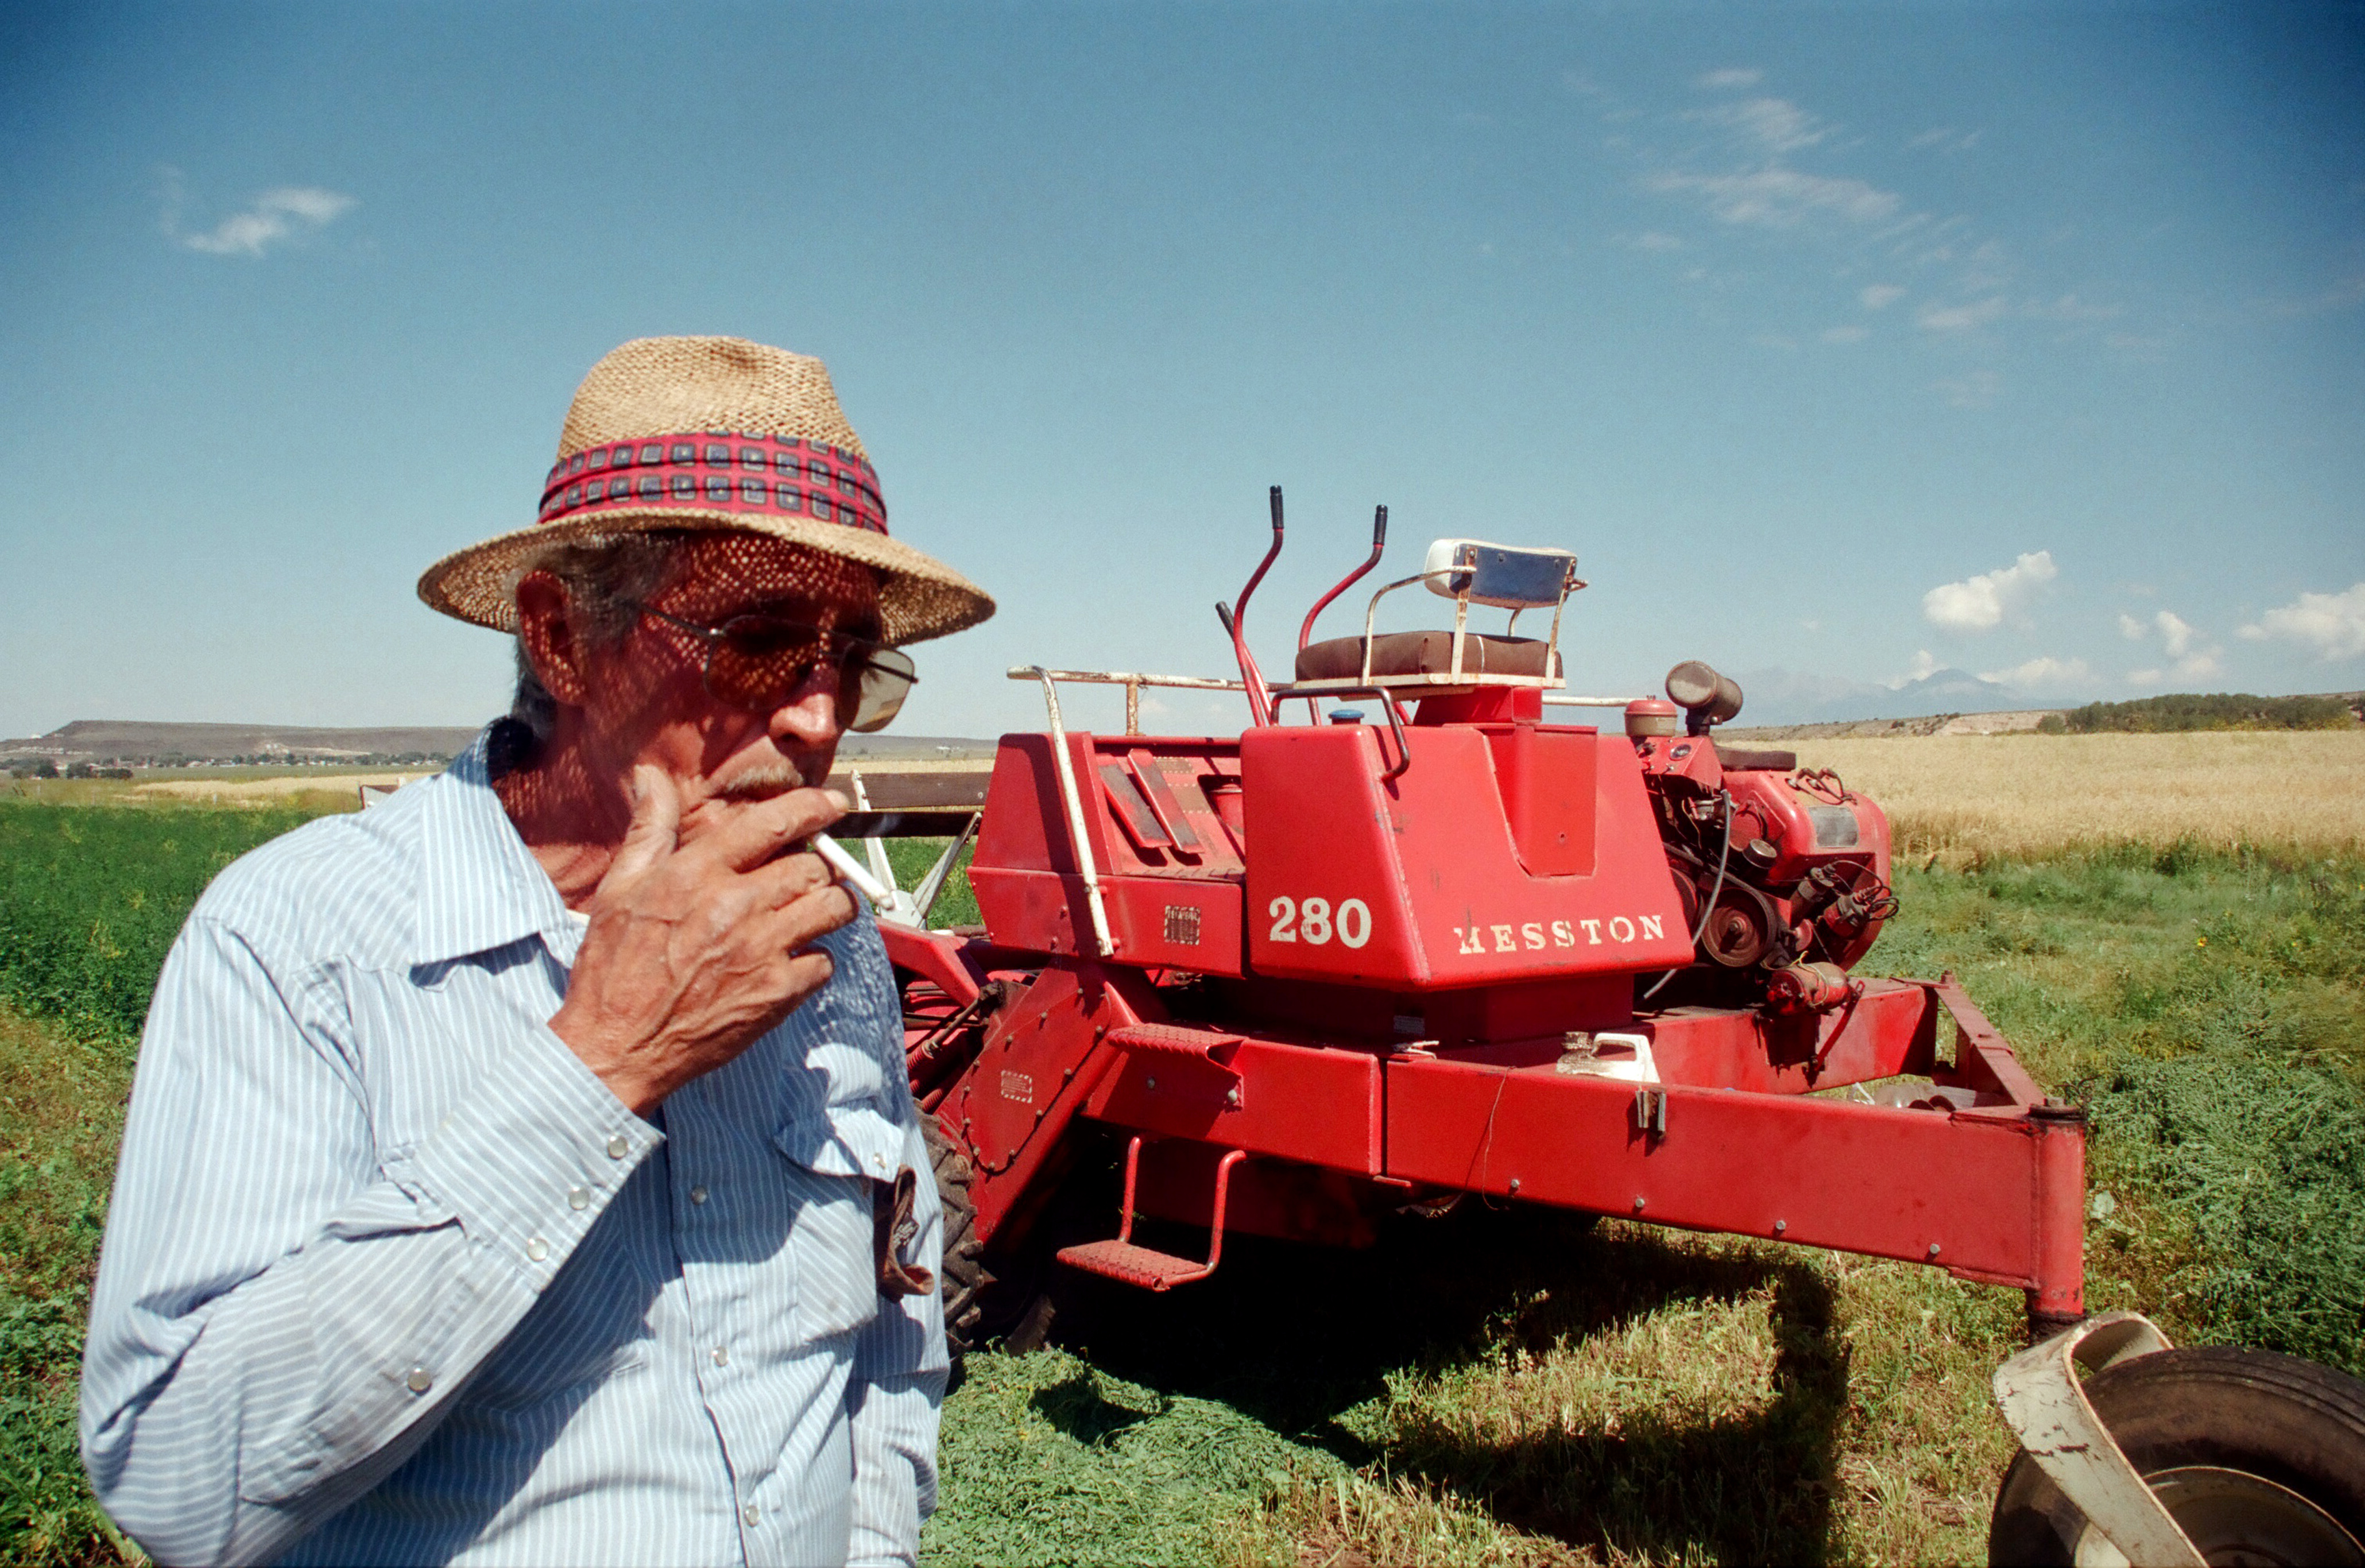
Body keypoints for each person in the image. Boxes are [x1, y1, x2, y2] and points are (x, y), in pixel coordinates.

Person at [79, 336, 995, 1565]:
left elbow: (890, 1345)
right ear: (561, 637)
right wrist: (599, 1065)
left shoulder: (826, 950)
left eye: (856, 660)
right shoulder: (307, 942)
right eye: (761, 637)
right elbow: (178, 1482)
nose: (818, 714)